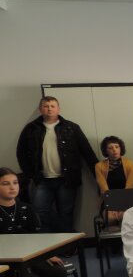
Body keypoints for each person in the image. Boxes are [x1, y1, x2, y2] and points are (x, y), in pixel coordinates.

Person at [0, 167, 73, 277]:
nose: (12, 187)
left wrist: (47, 254)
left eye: (15, 183)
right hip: (7, 264)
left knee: (58, 271)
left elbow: (38, 237)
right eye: (5, 184)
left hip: (31, 257)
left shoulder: (26, 208)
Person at [16, 96, 98, 232]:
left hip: (67, 180)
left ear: (58, 109)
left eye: (52, 106)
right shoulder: (30, 129)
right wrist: (29, 174)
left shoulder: (72, 128)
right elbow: (21, 153)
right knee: (40, 213)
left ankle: (67, 243)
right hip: (41, 180)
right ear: (40, 109)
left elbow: (87, 152)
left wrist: (99, 175)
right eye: (46, 106)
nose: (49, 109)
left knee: (66, 213)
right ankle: (48, 243)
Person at [95, 135, 133, 224]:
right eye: (110, 148)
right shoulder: (99, 166)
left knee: (127, 216)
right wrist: (113, 206)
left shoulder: (131, 164)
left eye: (117, 147)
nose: (114, 150)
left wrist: (122, 206)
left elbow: (129, 188)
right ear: (106, 151)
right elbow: (104, 190)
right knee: (110, 218)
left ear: (121, 148)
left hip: (127, 200)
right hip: (108, 201)